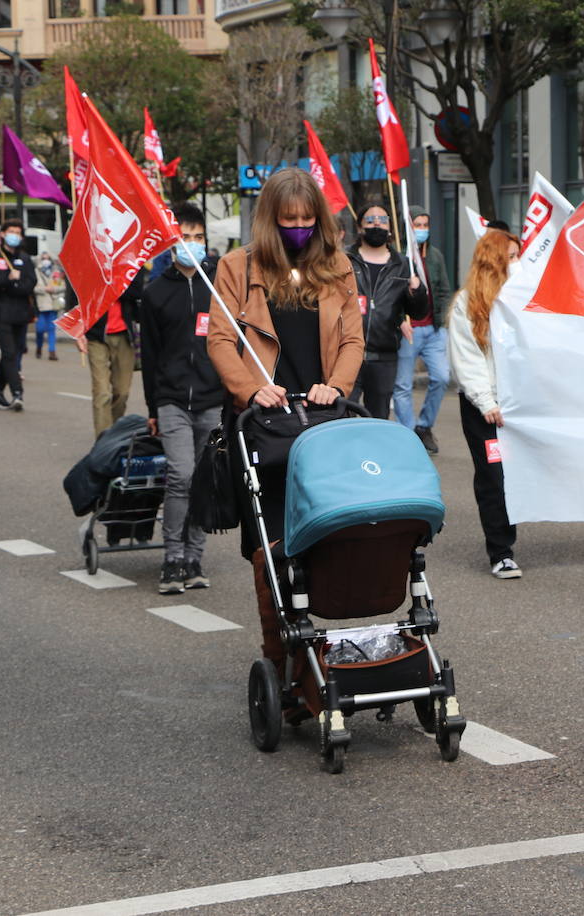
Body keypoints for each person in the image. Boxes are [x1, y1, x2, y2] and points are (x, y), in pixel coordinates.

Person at [207, 168, 364, 676]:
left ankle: (327, 636)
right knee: (270, 546)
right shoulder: (237, 266)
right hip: (265, 426)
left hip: (323, 421)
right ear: (271, 221)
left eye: (307, 218)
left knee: (332, 532)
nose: (298, 227)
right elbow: (220, 340)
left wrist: (336, 387)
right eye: (288, 219)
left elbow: (353, 341)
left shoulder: (338, 266)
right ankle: (281, 656)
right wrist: (252, 388)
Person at [141, 203, 222, 596]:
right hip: (172, 399)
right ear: (171, 243)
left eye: (197, 237)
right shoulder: (155, 292)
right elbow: (151, 356)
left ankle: (194, 557)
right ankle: (172, 558)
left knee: (204, 480)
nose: (192, 244)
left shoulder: (219, 289)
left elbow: (232, 346)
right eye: (184, 237)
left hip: (212, 400)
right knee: (181, 476)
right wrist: (153, 407)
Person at [447, 228, 524, 580]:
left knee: (518, 474)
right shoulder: (467, 303)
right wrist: (486, 400)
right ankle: (501, 550)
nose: (518, 262)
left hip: (521, 406)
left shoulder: (523, 299)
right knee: (493, 475)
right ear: (494, 262)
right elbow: (467, 359)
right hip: (486, 411)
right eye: (511, 256)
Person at [347, 202, 425, 419]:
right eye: (370, 220)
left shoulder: (403, 264)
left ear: (390, 228)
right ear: (360, 227)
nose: (377, 225)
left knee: (378, 417)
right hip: (347, 353)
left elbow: (418, 312)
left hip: (384, 357)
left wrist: (416, 292)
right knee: (343, 413)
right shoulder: (344, 260)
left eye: (383, 220)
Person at [394, 204, 452, 452]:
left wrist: (443, 319)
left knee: (441, 377)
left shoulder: (435, 256)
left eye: (425, 225)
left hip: (433, 329)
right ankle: (407, 435)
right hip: (408, 331)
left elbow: (443, 289)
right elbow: (392, 294)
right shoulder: (399, 256)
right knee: (403, 386)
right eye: (417, 225)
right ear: (408, 227)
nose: (422, 230)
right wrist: (399, 319)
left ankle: (424, 425)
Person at [0, 218, 36, 412]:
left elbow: (30, 284)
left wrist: (17, 285)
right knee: (9, 353)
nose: (14, 236)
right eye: (11, 231)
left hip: (20, 313)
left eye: (18, 232)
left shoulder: (25, 259)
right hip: (0, 311)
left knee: (15, 351)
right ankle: (17, 392)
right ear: (2, 234)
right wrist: (7, 279)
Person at [81, 269, 143, 437]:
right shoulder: (92, 262)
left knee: (121, 393)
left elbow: (138, 291)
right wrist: (78, 331)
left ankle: (113, 434)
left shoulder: (130, 261)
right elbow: (78, 295)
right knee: (102, 393)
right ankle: (103, 441)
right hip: (96, 336)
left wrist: (115, 282)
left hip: (124, 335)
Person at [32, 252, 62, 361]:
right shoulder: (36, 271)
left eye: (48, 258)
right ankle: (39, 347)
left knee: (51, 329)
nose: (46, 260)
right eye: (44, 258)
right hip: (41, 304)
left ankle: (52, 351)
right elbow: (33, 287)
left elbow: (62, 286)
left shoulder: (56, 272)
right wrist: (43, 289)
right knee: (40, 329)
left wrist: (54, 289)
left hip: (53, 304)